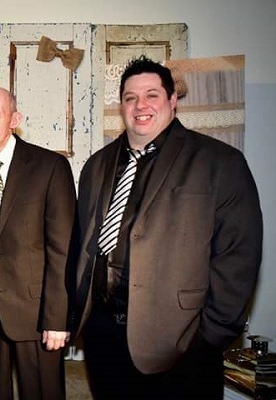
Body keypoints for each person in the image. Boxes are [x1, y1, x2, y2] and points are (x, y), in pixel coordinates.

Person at [73, 55, 263, 399]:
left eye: (151, 95)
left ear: (173, 100)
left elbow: (239, 255)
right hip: (103, 336)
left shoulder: (219, 162)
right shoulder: (97, 166)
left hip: (181, 342)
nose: (139, 105)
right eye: (130, 98)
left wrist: (209, 336)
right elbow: (81, 244)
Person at [0, 86, 78, 400]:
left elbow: (63, 250)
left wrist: (58, 319)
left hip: (38, 316)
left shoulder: (51, 167)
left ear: (14, 119)